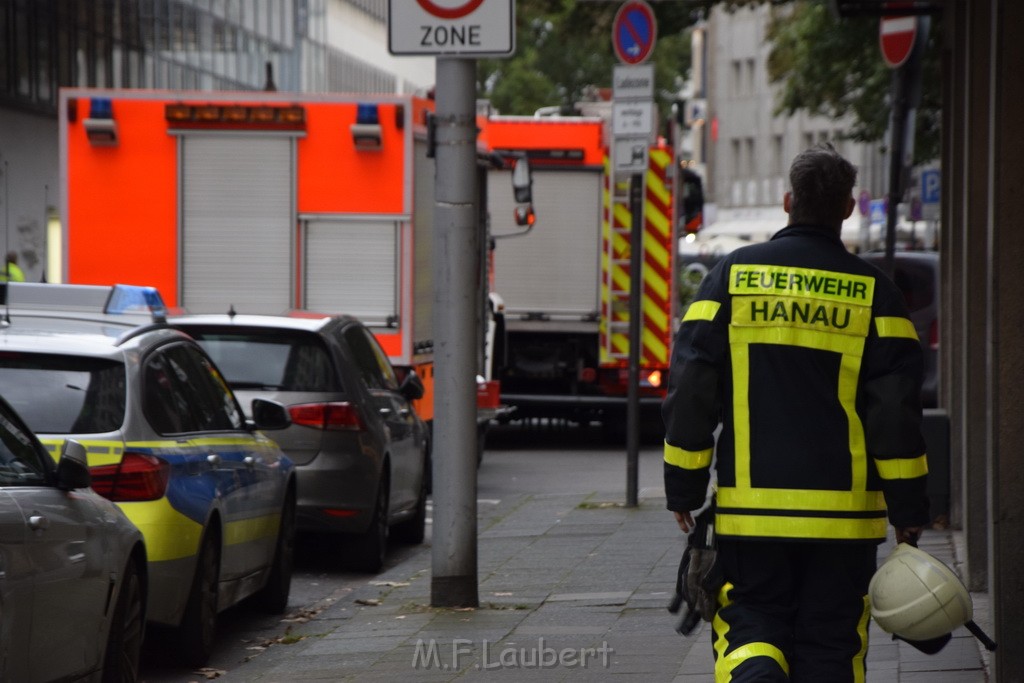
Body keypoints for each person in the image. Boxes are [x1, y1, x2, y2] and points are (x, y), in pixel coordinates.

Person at [662, 143, 929, 682]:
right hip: (845, 523)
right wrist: (909, 510)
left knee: (750, 626)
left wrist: (683, 488)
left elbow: (693, 389)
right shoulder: (876, 294)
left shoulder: (732, 277)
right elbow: (896, 416)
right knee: (832, 644)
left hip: (751, 515)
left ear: (788, 201)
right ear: (848, 209)